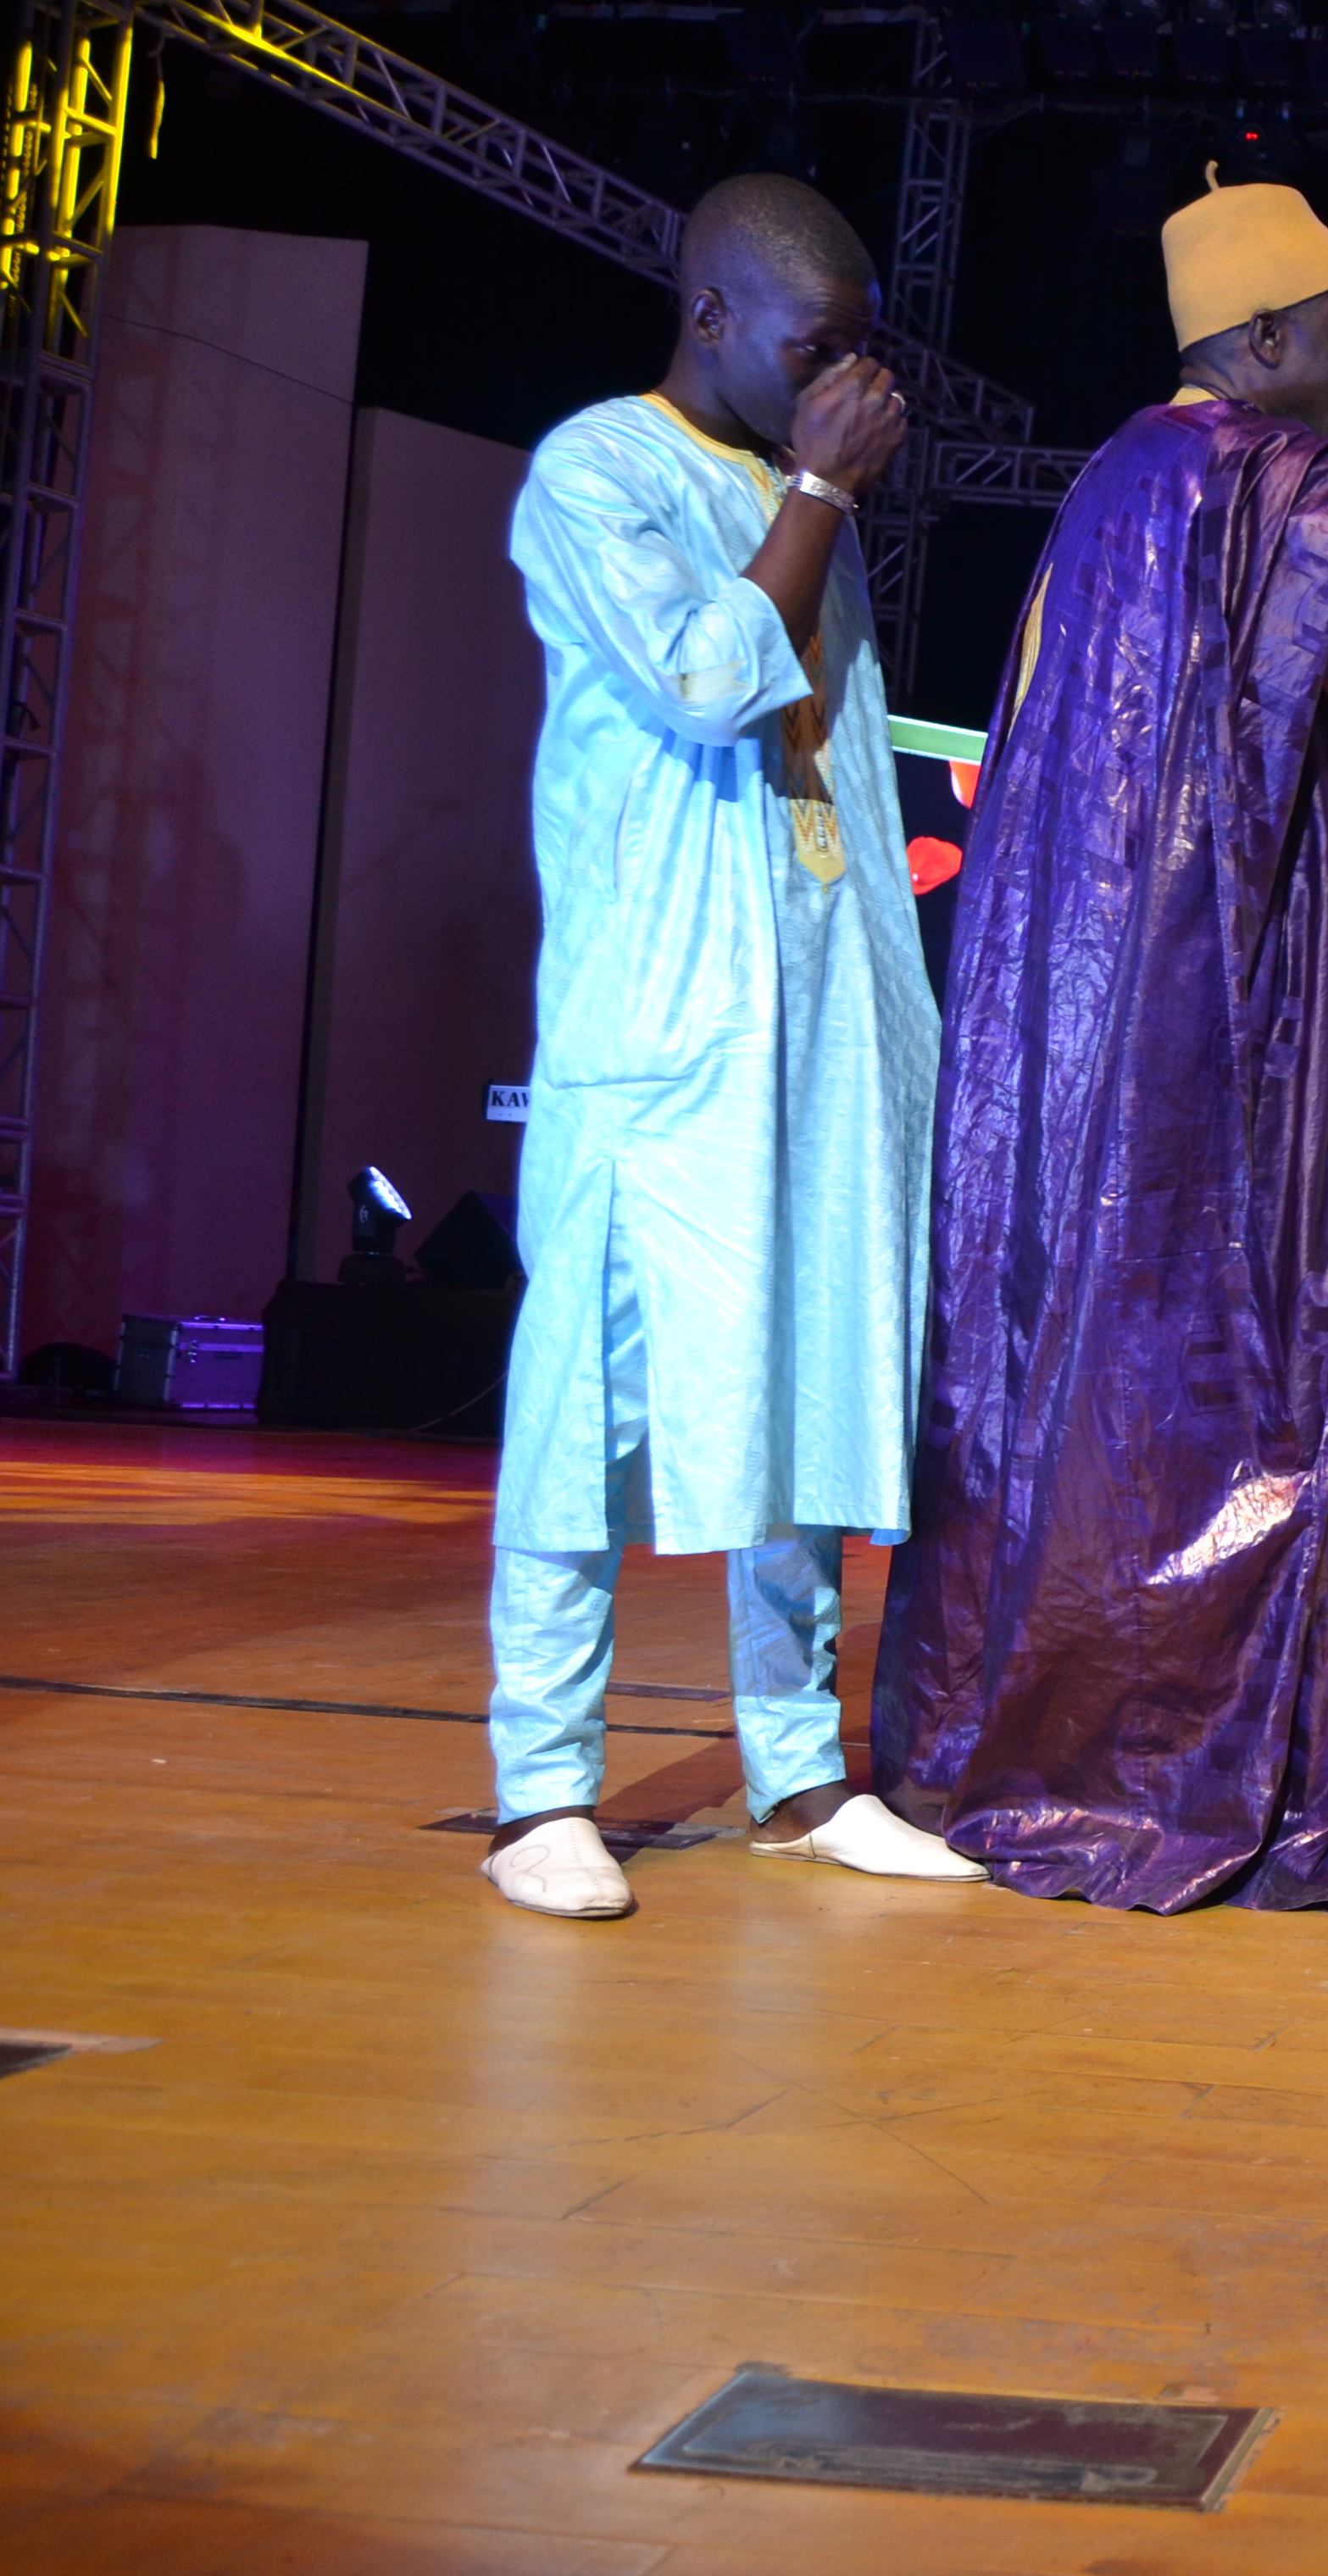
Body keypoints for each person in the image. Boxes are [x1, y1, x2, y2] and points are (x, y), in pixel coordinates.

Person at [870, 175, 1328, 1911]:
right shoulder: (1280, 493)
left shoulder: (1105, 489)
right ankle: (1168, 1744)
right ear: (1271, 338)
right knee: (1218, 1370)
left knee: (1044, 1370)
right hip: (1204, 1034)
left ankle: (988, 1728)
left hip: (1057, 1025)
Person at [481, 172, 973, 1917]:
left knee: (814, 1379)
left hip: (821, 1017)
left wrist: (896, 1035)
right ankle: (543, 1787)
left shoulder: (795, 501)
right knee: (589, 1398)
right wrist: (827, 489)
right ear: (712, 319)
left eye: (863, 351)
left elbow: (834, 766)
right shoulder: (595, 471)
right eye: (816, 348)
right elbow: (707, 681)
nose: (852, 383)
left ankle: (801, 1769)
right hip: (662, 1023)